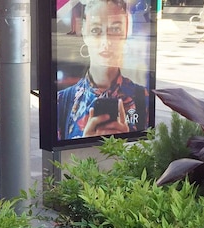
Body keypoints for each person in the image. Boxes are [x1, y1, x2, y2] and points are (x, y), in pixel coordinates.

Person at [56, 0, 149, 141]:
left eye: (115, 29)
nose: (106, 41)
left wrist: (125, 143)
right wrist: (85, 142)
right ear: (84, 34)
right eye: (96, 30)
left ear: (125, 33)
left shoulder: (144, 98)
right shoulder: (62, 102)